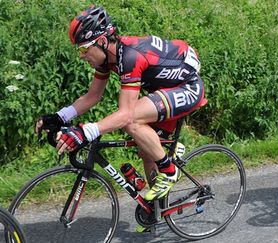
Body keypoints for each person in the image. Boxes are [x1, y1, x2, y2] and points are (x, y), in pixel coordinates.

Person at [35, 5, 205, 201]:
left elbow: (126, 114)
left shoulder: (130, 56)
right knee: (146, 151)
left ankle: (169, 170)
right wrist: (60, 116)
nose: (81, 55)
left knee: (131, 120)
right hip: (165, 89)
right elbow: (92, 96)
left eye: (83, 48)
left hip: (187, 87)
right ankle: (156, 210)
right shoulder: (106, 59)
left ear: (101, 41)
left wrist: (85, 131)